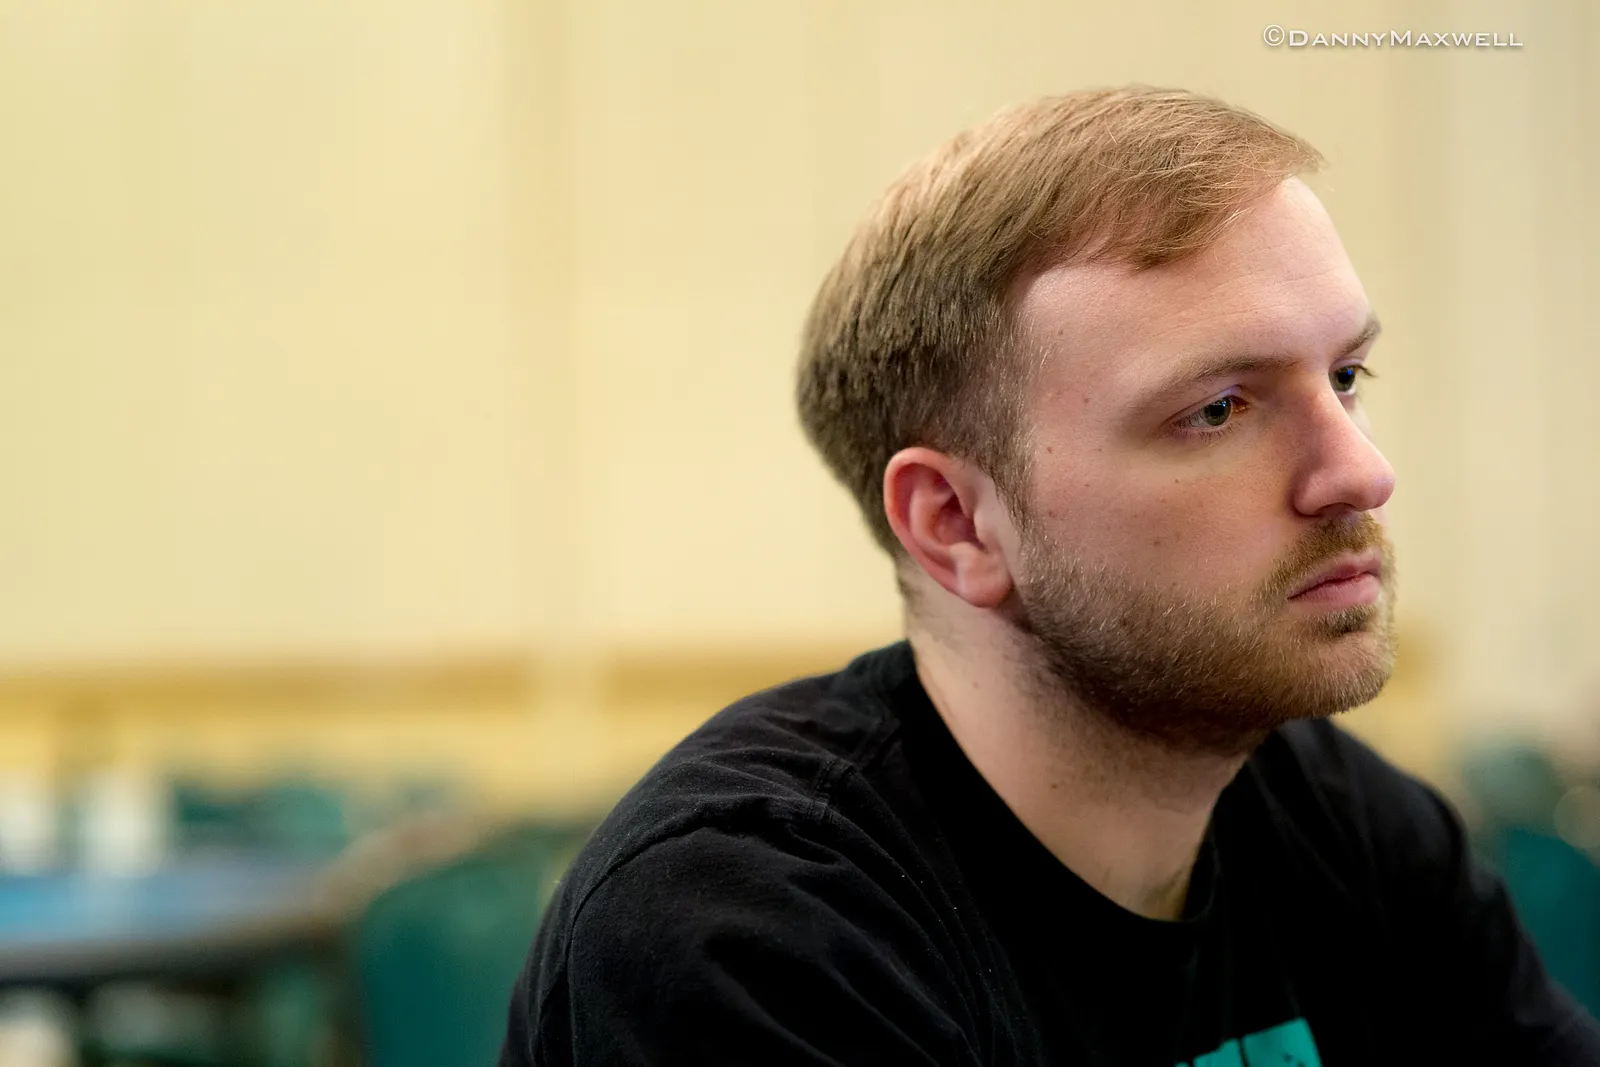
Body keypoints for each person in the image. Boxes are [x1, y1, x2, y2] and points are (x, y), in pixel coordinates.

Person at [499, 87, 1600, 1065]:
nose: (1361, 472)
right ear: (956, 525)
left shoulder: (1341, 823)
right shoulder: (751, 931)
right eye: (1218, 408)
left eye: (1346, 375)